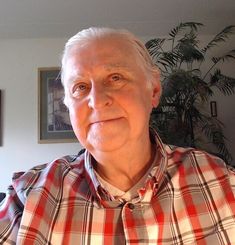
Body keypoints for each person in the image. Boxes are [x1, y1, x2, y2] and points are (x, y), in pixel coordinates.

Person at [0, 27, 235, 245]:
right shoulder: (26, 198)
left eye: (115, 77)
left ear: (153, 90)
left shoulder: (223, 183)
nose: (96, 100)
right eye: (80, 87)